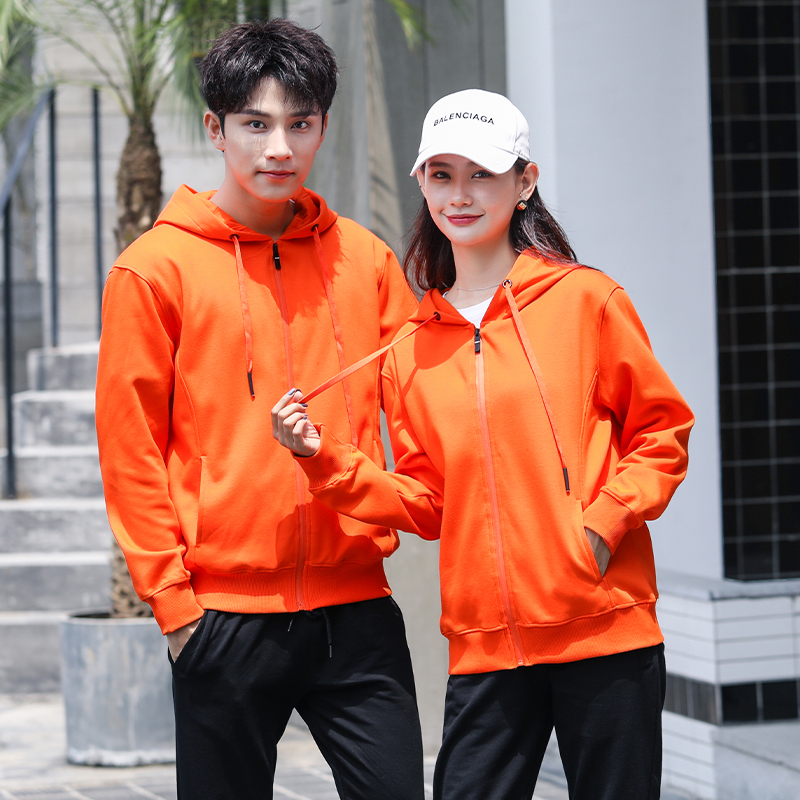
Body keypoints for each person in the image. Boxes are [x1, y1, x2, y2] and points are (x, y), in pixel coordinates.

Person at [272, 89, 694, 800]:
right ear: (422, 184)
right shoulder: (410, 347)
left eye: (481, 175)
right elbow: (428, 502)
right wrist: (324, 460)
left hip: (605, 631)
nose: (459, 195)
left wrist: (601, 525)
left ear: (524, 182)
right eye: (441, 175)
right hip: (485, 648)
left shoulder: (587, 301)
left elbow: (662, 432)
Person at [95, 19, 425, 800]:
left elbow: (420, 414)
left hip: (357, 609)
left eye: (300, 124)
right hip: (221, 616)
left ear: (322, 127)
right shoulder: (154, 270)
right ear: (215, 129)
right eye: (255, 124)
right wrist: (176, 610)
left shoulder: (366, 260)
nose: (280, 147)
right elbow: (130, 452)